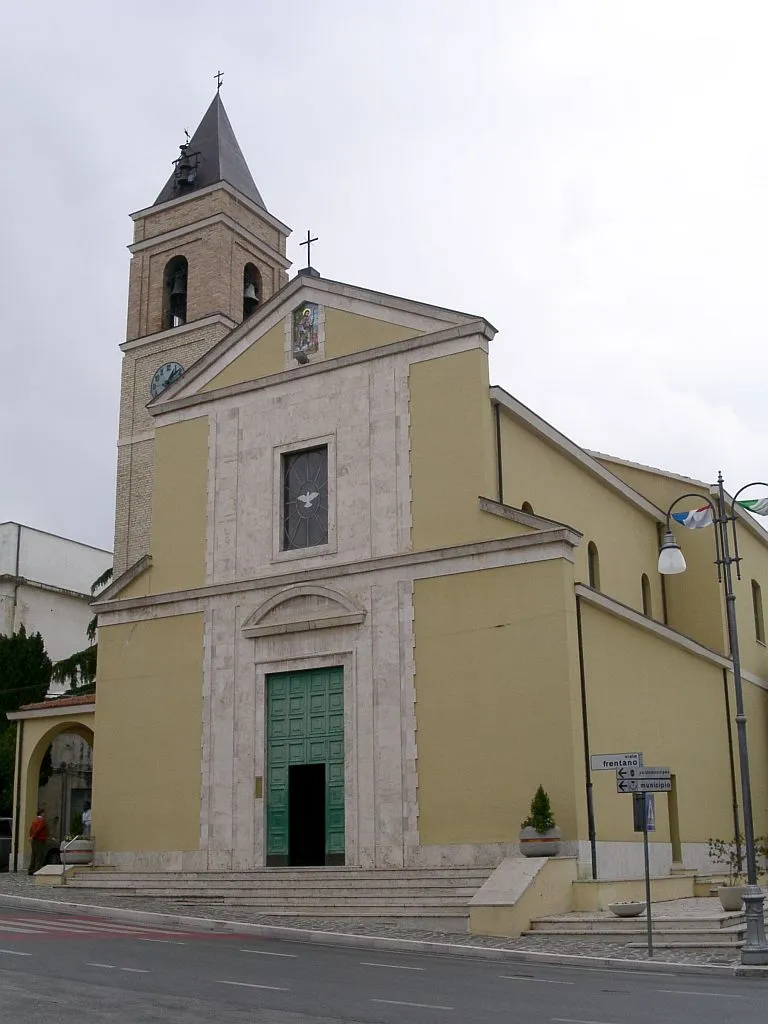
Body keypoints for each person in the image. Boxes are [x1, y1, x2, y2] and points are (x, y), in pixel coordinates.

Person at [28, 809, 49, 875]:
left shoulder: (34, 820)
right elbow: (38, 829)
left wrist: (31, 836)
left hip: (34, 840)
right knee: (40, 855)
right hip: (40, 839)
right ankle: (37, 870)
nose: (45, 814)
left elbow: (31, 829)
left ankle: (31, 870)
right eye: (44, 813)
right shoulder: (42, 821)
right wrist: (33, 836)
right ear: (41, 813)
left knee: (34, 855)